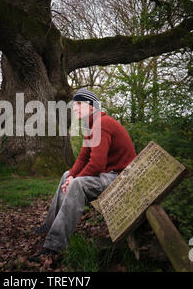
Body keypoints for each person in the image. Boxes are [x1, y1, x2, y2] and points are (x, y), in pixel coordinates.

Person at [28, 88, 137, 262]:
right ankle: (50, 226)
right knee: (66, 175)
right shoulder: (92, 126)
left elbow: (97, 164)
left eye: (80, 104)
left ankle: (53, 247)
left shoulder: (103, 124)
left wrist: (75, 180)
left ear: (92, 106)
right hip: (108, 175)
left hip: (120, 179)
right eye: (74, 104)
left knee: (78, 184)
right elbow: (83, 158)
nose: (75, 108)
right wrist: (71, 176)